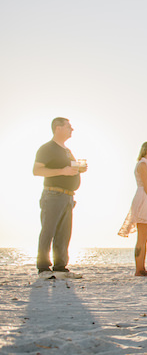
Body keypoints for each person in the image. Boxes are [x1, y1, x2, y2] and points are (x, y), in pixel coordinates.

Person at [33, 117, 87, 278]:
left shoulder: (66, 150)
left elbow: (68, 169)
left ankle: (60, 267)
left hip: (68, 196)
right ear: (58, 128)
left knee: (64, 233)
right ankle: (43, 267)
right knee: (48, 230)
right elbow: (37, 171)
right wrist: (62, 171)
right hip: (53, 194)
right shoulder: (47, 148)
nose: (72, 129)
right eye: (69, 127)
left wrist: (78, 169)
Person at [117, 141, 147, 276]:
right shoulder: (142, 164)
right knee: (142, 236)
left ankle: (142, 267)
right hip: (144, 198)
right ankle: (139, 269)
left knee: (146, 235)